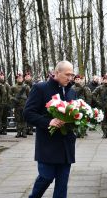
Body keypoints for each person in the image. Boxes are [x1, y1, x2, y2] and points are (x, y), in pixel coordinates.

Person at [23, 61, 77, 198]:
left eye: (72, 74)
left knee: (62, 183)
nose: (70, 78)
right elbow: (28, 113)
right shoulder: (40, 88)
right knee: (46, 177)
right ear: (56, 72)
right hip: (48, 144)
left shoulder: (72, 92)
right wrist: (49, 122)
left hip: (66, 145)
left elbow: (74, 115)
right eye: (67, 74)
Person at [10, 73, 30, 138]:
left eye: (21, 78)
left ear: (23, 79)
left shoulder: (26, 87)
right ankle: (18, 132)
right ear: (16, 79)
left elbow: (29, 95)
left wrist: (28, 102)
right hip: (17, 105)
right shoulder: (13, 87)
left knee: (24, 118)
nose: (19, 79)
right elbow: (9, 95)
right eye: (18, 78)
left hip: (24, 104)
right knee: (18, 119)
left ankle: (24, 132)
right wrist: (13, 98)